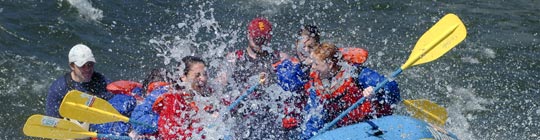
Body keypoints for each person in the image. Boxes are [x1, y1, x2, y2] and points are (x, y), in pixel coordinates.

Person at [298, 42, 400, 139]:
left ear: (329, 64)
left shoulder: (356, 73)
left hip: (373, 122)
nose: (312, 67)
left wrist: (376, 91)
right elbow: (314, 118)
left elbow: (392, 87)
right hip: (347, 129)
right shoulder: (317, 85)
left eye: (316, 64)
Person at [130, 56, 216, 139]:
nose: (203, 79)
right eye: (197, 75)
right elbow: (138, 119)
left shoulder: (209, 94)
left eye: (205, 74)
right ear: (183, 77)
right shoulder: (170, 95)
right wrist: (164, 121)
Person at [46, 44, 113, 118]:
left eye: (90, 64)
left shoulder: (102, 82)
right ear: (72, 66)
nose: (87, 69)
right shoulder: (59, 88)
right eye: (82, 66)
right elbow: (53, 117)